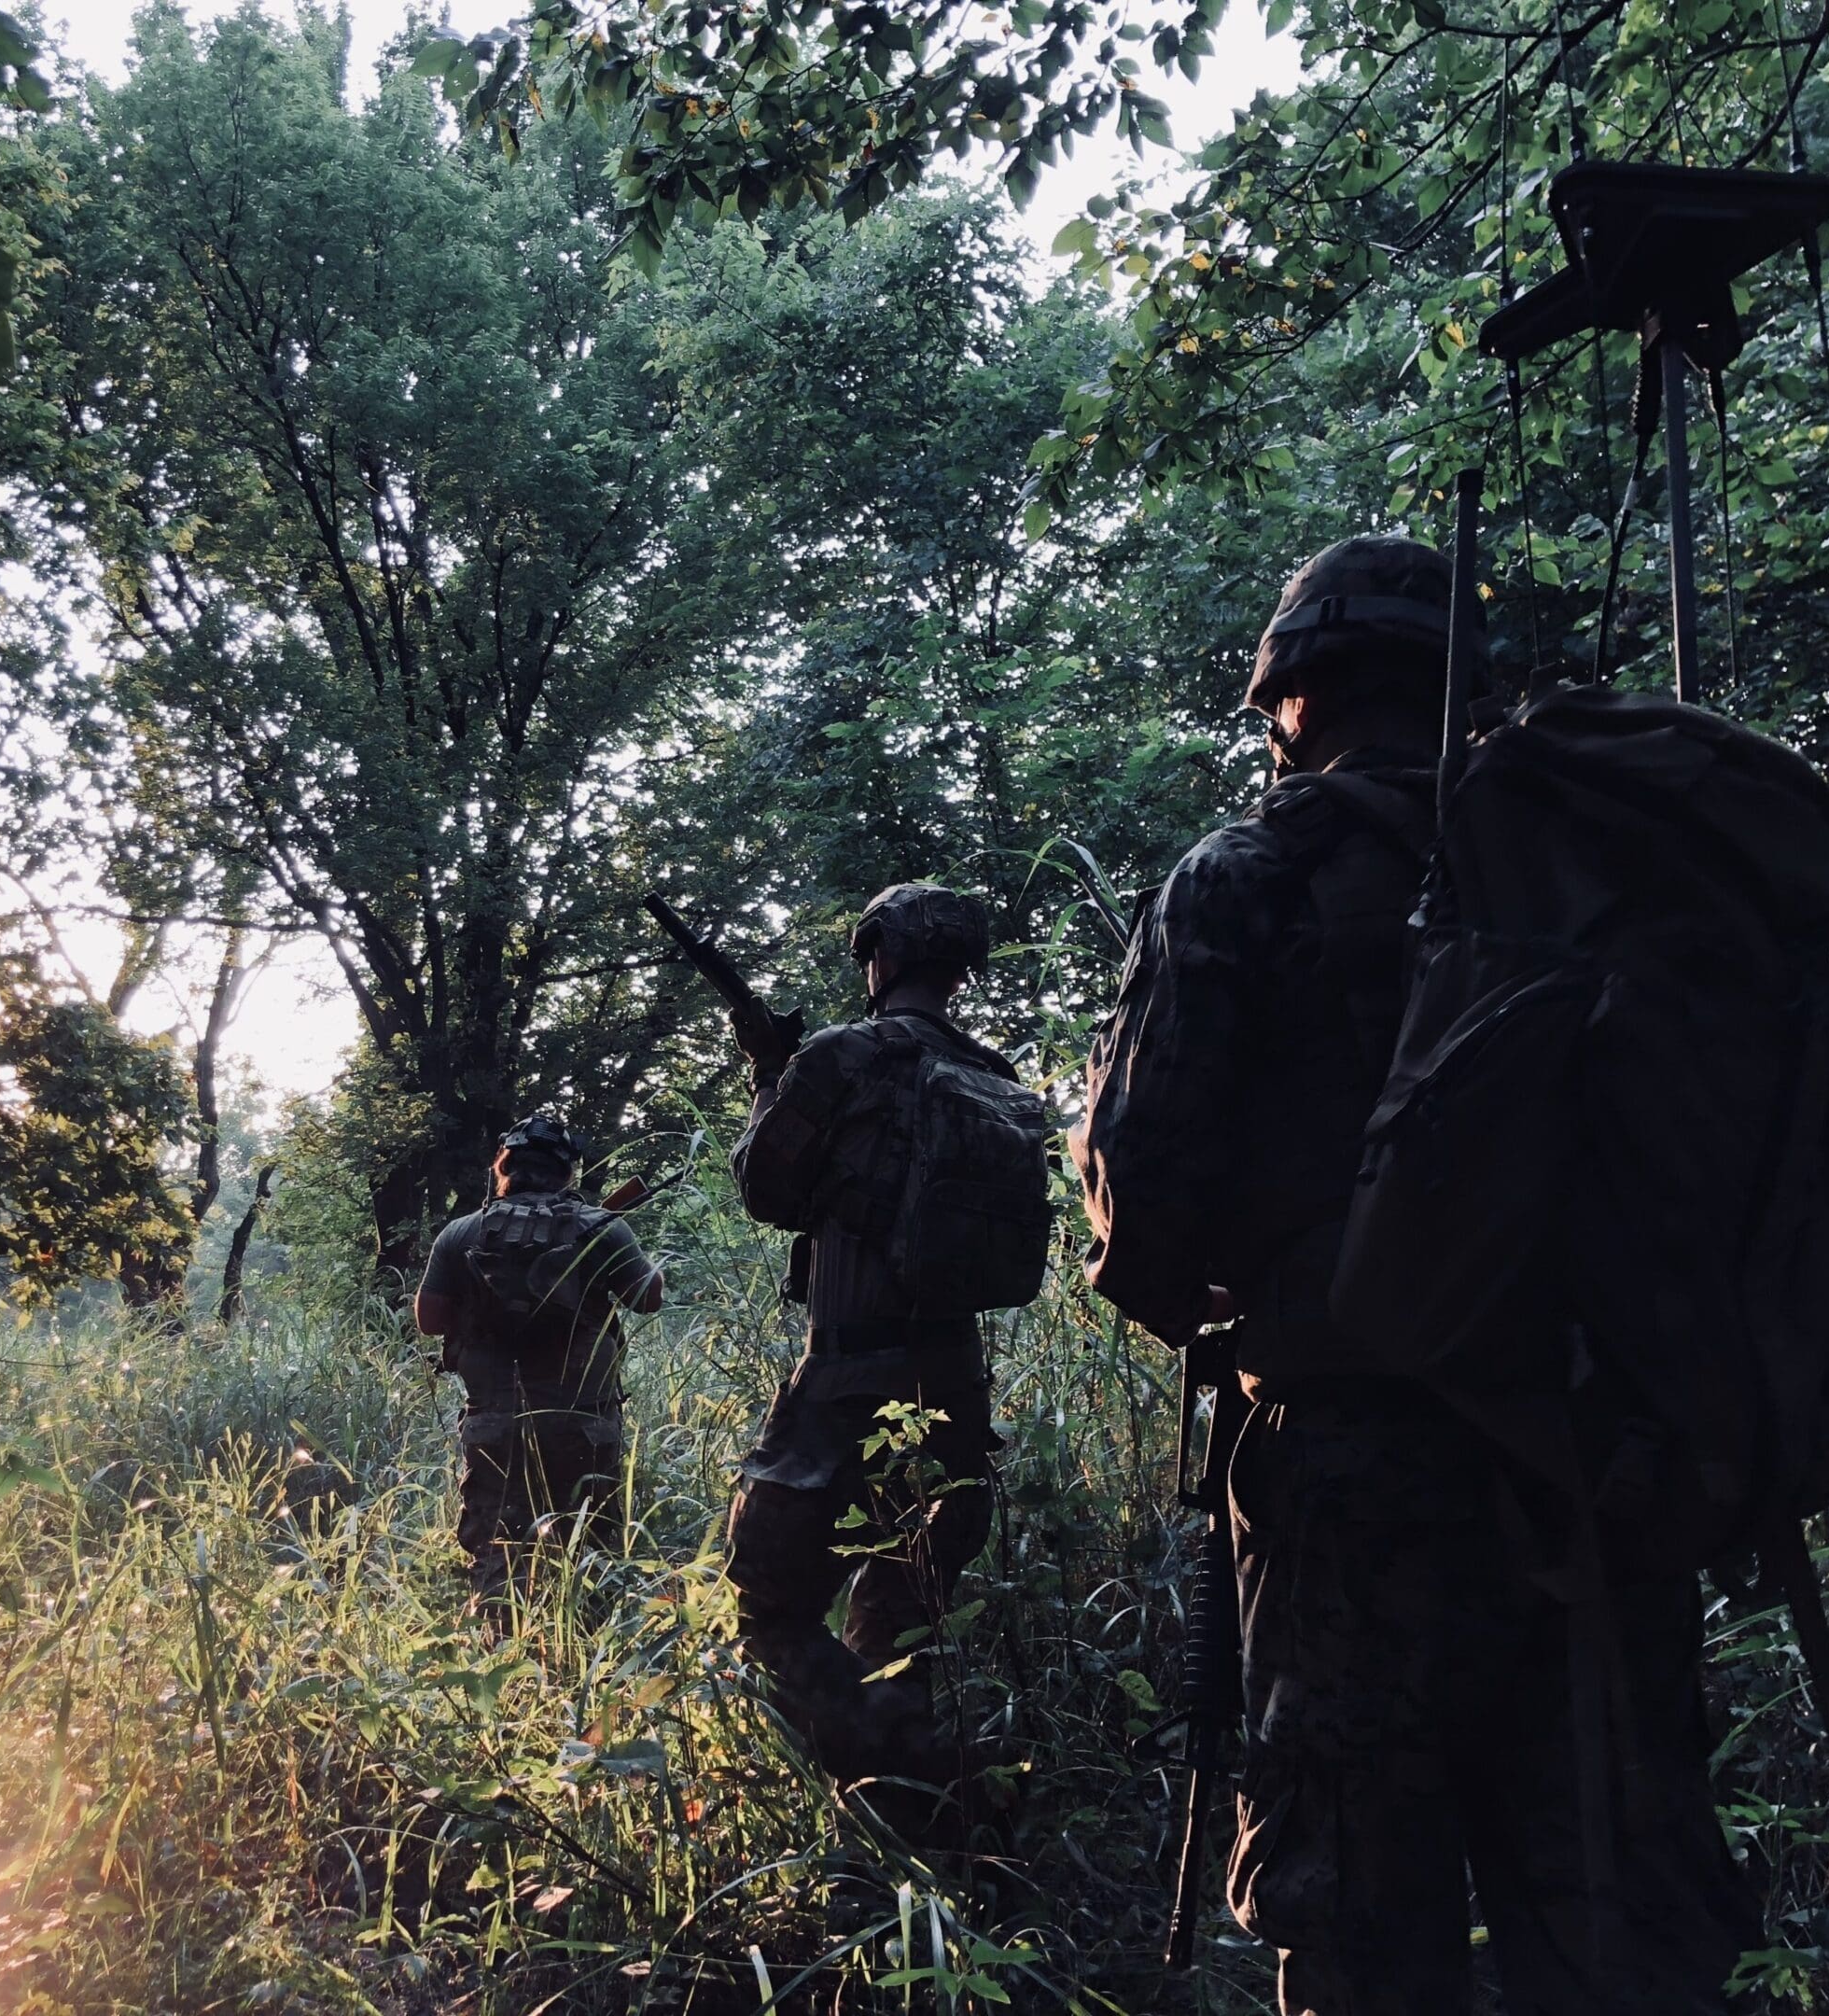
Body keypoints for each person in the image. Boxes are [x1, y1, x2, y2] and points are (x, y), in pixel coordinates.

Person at [1073, 538, 1760, 2015]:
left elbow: (1139, 1215)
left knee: (1361, 1914)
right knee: (1618, 1910)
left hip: (1352, 1481)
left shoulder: (1252, 870)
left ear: (1294, 697)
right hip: (1603, 1462)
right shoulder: (1602, 870)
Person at [724, 883, 1051, 1827]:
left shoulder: (842, 1056)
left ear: (882, 957)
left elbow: (765, 1188)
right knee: (901, 1627)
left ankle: (925, 1796)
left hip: (843, 1384)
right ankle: (914, 1839)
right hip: (955, 1388)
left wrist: (768, 1078)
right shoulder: (996, 1078)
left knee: (769, 1610)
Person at [415, 1114, 663, 1603]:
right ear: (567, 1172)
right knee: (587, 1552)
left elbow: (429, 1319)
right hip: (583, 1423)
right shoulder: (602, 1228)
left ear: (502, 1167)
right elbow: (647, 1298)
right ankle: (586, 1663)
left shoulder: (460, 1233)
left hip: (495, 1424)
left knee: (497, 1553)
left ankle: (499, 1656)